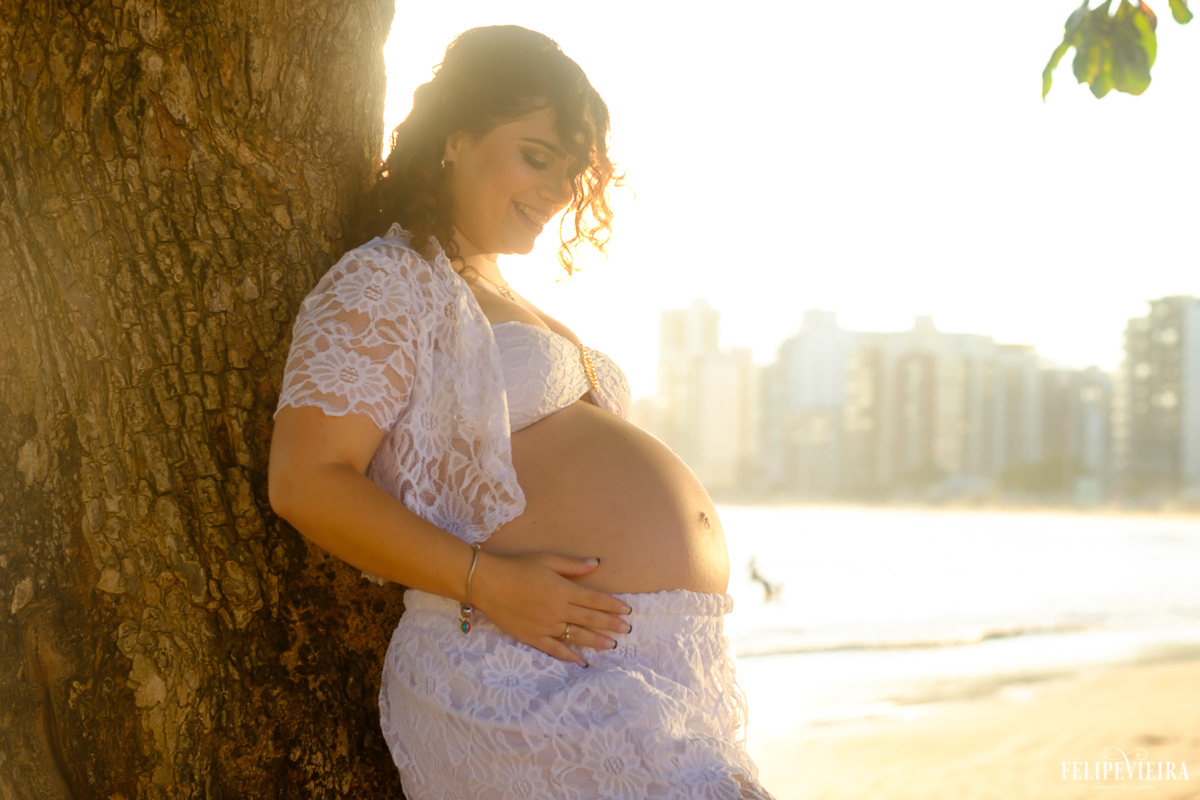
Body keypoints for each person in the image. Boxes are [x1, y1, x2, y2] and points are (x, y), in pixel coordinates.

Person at [268, 25, 774, 800]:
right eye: (536, 156)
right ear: (455, 137)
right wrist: (489, 583)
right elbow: (306, 480)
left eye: (569, 172)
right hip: (515, 667)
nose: (557, 191)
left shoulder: (505, 294)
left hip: (652, 666)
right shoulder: (388, 280)